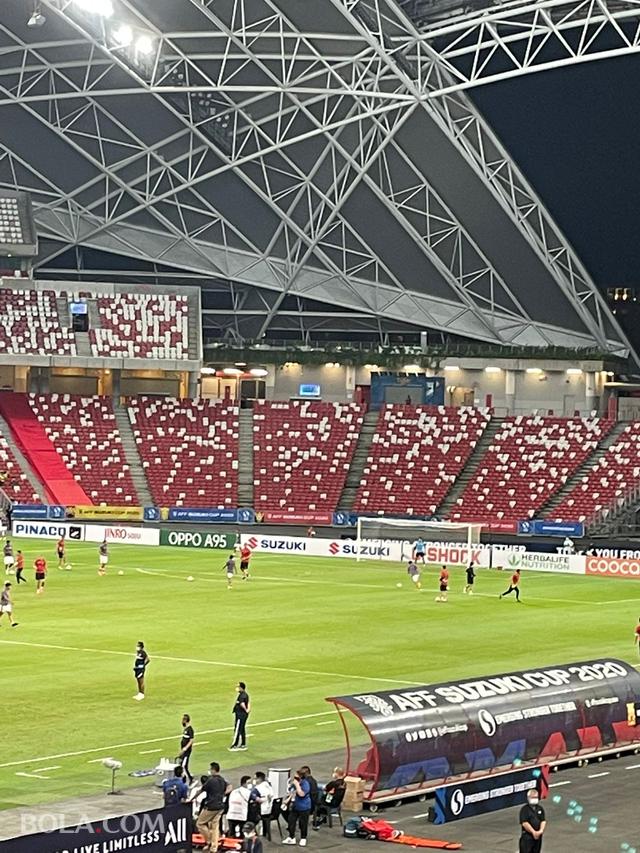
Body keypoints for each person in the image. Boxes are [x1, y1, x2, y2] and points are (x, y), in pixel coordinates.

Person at [196, 761, 230, 853]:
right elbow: (229, 786)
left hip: (211, 806)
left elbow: (201, 790)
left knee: (200, 823)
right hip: (220, 806)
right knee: (215, 827)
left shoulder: (211, 780)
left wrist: (191, 799)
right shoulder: (223, 780)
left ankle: (209, 841)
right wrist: (223, 794)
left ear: (213, 770)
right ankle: (214, 848)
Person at [283, 768, 312, 847]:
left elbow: (301, 794)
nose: (294, 779)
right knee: (291, 821)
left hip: (304, 807)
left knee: (303, 823)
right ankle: (291, 837)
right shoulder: (294, 783)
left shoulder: (305, 784)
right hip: (295, 806)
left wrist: (297, 785)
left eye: (296, 777)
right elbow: (292, 792)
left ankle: (303, 838)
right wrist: (288, 800)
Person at [519, 787, 546, 852]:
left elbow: (543, 820)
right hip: (528, 837)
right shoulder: (524, 809)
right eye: (533, 797)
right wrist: (533, 832)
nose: (535, 799)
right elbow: (524, 823)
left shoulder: (540, 808)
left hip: (538, 837)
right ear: (528, 798)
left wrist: (540, 831)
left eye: (536, 797)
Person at [249, 771, 273, 836]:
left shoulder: (257, 788)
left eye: (255, 778)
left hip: (261, 812)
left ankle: (251, 832)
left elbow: (252, 797)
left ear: (259, 779)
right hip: (270, 810)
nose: (254, 780)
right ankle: (264, 831)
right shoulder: (269, 786)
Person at [230, 681, 250, 751]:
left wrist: (245, 709)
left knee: (237, 729)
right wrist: (248, 710)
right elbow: (248, 703)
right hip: (243, 714)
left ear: (241, 688)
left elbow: (242, 704)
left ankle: (235, 744)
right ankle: (243, 744)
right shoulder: (245, 695)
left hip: (240, 715)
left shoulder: (242, 695)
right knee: (242, 729)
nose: (237, 688)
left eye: (238, 687)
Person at [179, 713, 195, 782]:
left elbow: (191, 741)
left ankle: (189, 778)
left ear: (185, 720)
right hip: (184, 750)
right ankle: (185, 777)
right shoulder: (186, 729)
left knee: (184, 765)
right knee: (182, 764)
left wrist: (185, 748)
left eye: (183, 720)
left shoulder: (190, 729)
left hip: (186, 751)